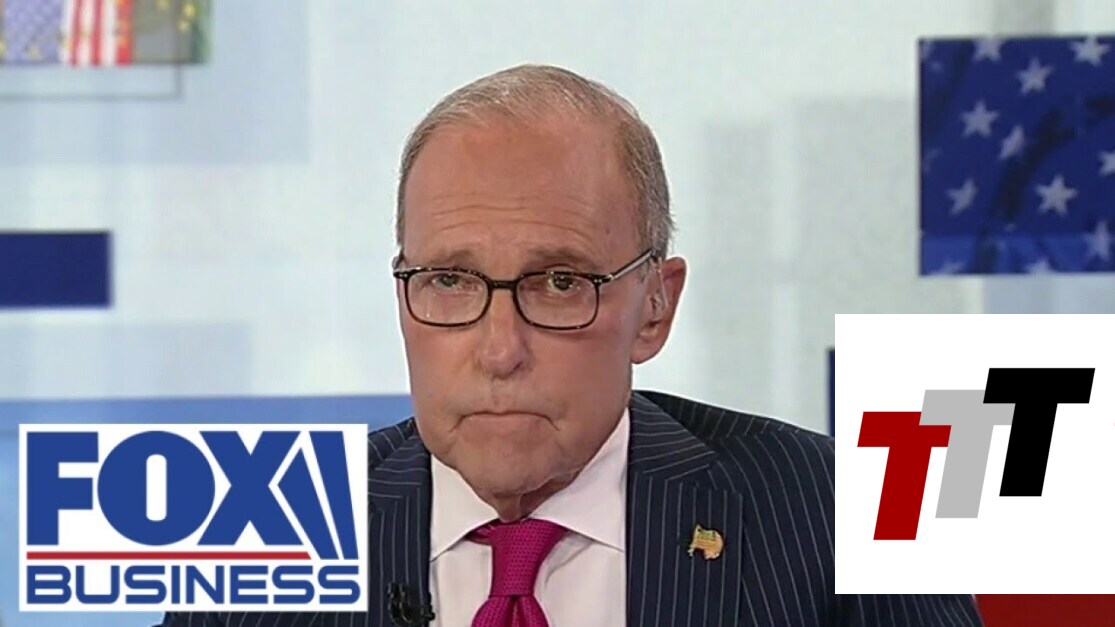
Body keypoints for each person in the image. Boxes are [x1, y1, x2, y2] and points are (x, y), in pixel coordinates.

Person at [161, 64, 982, 626]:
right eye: (449, 280)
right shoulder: (261, 541)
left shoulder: (840, 518)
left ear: (654, 307)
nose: (499, 349)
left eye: (558, 282)